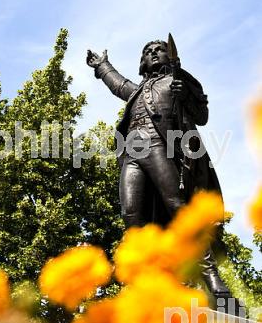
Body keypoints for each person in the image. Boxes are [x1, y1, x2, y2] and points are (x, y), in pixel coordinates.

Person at [86, 39, 235, 307]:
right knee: (132, 217)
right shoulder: (137, 91)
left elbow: (201, 115)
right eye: (147, 52)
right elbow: (119, 84)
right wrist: (102, 65)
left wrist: (185, 95)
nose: (153, 53)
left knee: (178, 209)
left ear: (170, 57)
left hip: (157, 145)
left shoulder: (178, 81)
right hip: (132, 149)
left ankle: (214, 281)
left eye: (159, 50)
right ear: (143, 62)